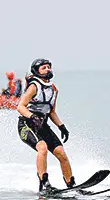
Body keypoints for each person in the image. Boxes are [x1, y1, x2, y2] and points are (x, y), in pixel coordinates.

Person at [16, 58, 72, 193]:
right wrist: (32, 116)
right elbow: (20, 107)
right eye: (44, 68)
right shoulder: (34, 87)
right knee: (42, 148)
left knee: (61, 153)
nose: (48, 69)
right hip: (27, 125)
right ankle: (44, 184)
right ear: (37, 71)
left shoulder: (54, 90)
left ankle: (71, 184)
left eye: (49, 67)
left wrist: (61, 126)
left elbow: (52, 112)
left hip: (43, 125)